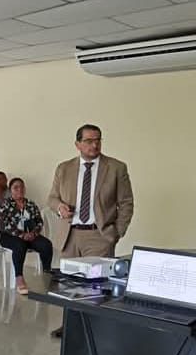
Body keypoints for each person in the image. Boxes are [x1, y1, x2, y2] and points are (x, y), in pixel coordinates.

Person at [47, 124, 134, 337]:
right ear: (77, 144)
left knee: (95, 285)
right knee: (69, 283)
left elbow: (126, 203)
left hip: (99, 235)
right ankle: (70, 325)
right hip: (70, 235)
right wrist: (59, 207)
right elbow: (52, 198)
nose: (94, 145)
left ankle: (94, 330)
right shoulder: (64, 168)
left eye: (98, 140)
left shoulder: (116, 168)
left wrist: (116, 233)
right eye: (89, 141)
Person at [0, 177, 52, 292]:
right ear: (10, 190)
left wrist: (33, 233)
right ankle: (19, 278)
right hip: (9, 236)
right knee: (19, 245)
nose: (19, 190)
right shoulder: (5, 205)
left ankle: (47, 273)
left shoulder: (31, 204)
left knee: (46, 244)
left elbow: (39, 221)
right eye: (16, 188)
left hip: (30, 236)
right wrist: (21, 235)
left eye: (22, 187)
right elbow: (3, 225)